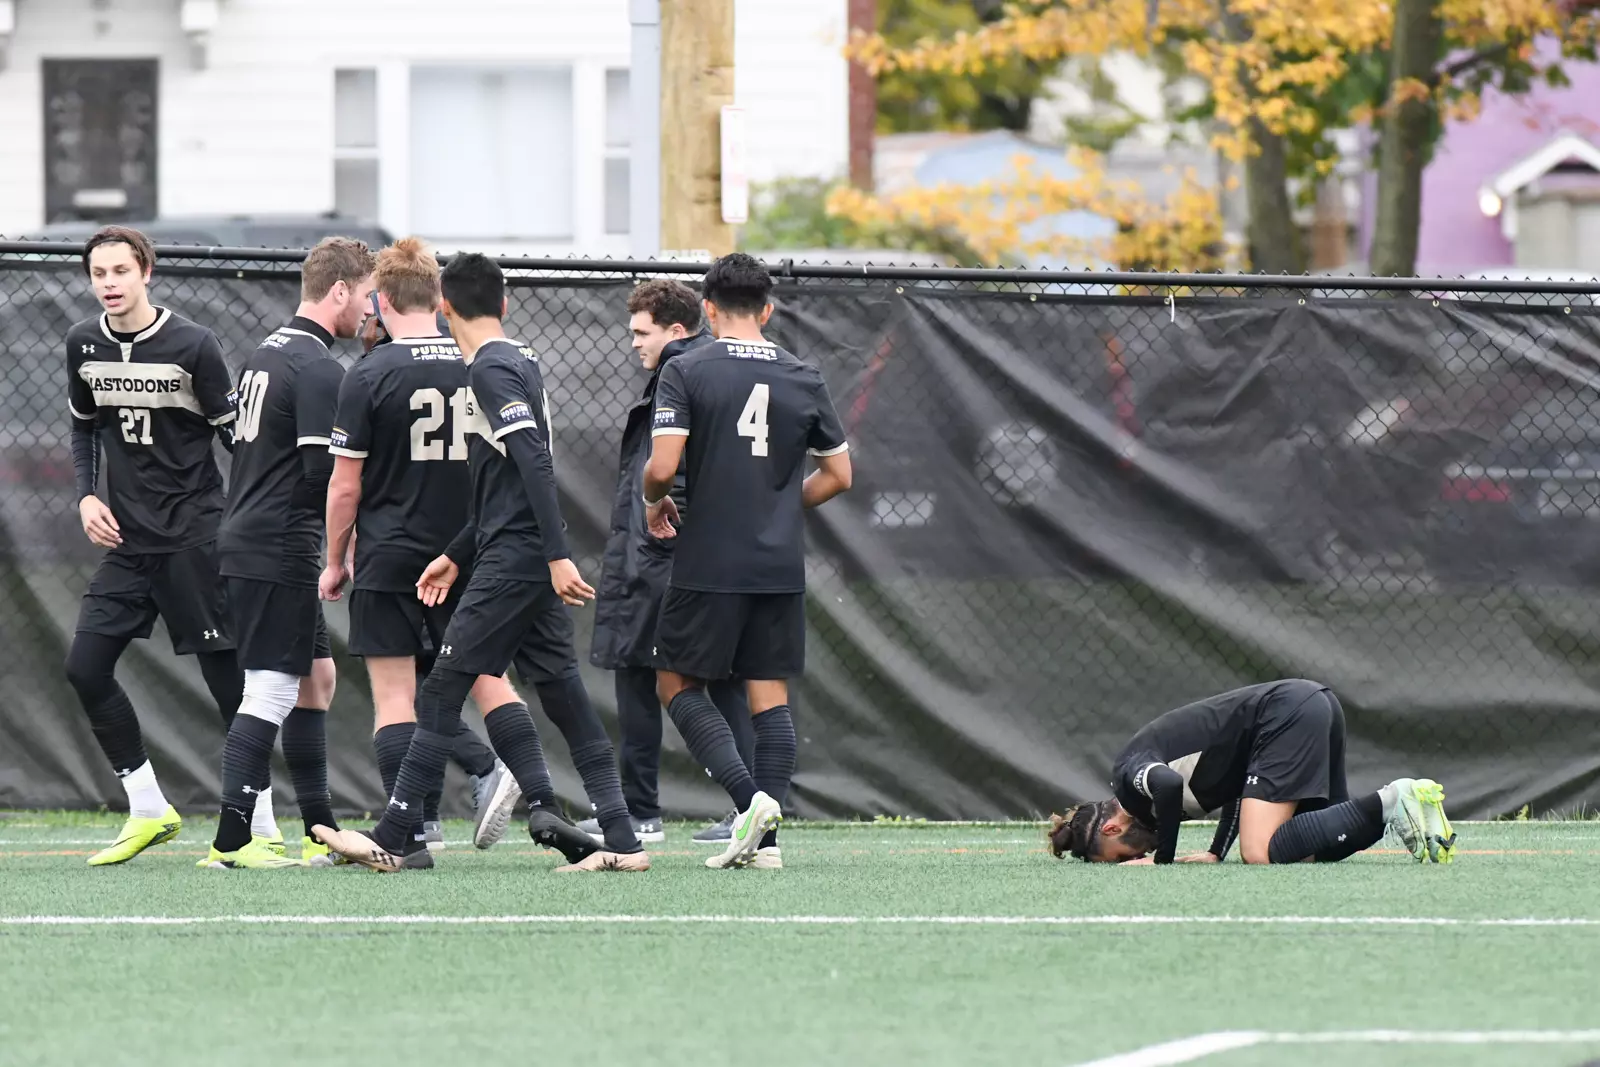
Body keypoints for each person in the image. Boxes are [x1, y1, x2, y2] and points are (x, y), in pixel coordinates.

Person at [315, 252, 647, 874]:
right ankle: (625, 842)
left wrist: (555, 555)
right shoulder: (519, 357)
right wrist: (454, 553)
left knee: (441, 690)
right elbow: (504, 482)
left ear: (445, 305)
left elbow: (534, 463)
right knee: (563, 693)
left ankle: (394, 836)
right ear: (505, 303)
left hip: (515, 557)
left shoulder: (491, 368)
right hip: (509, 548)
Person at [644, 253, 853, 871]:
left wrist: (654, 502)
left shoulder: (686, 367)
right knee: (769, 695)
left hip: (711, 557)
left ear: (708, 310)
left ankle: (748, 802)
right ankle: (766, 847)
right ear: (767, 310)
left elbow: (662, 466)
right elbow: (839, 474)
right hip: (778, 563)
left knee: (675, 682)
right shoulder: (803, 374)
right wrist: (782, 506)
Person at [64, 226, 265, 866]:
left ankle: (258, 827)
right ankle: (149, 807)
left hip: (195, 537)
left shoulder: (194, 344)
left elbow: (237, 440)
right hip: (128, 542)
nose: (109, 283)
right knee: (85, 667)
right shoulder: (83, 343)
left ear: (146, 271)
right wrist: (86, 495)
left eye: (121, 271)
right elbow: (83, 428)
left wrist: (255, 519)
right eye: (99, 273)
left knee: (229, 687)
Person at [321, 238, 520, 859]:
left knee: (394, 697)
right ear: (440, 299)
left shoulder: (369, 372)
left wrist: (334, 559)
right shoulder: (477, 361)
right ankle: (534, 791)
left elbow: (345, 485)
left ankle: (412, 831)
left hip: (392, 551)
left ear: (379, 300)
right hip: (468, 549)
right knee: (486, 678)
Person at [201, 237, 376, 869]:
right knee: (271, 690)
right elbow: (320, 476)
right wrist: (345, 545)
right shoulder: (318, 367)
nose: (370, 308)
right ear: (340, 291)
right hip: (277, 545)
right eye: (366, 295)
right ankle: (231, 842)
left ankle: (319, 829)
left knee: (315, 680)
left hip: (255, 536)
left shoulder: (268, 350)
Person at [584, 279, 755, 847]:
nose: (634, 342)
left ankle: (647, 813)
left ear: (677, 330)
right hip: (695, 551)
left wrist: (660, 521)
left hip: (667, 552)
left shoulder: (682, 374)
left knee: (646, 668)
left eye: (642, 332)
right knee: (707, 674)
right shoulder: (704, 369)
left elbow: (667, 470)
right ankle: (739, 807)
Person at [1046, 679, 1458, 866]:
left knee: (1258, 851)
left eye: (1124, 857)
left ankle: (1394, 797)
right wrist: (1215, 851)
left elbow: (1169, 784)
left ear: (1112, 829)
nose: (1138, 857)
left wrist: (1163, 862)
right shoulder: (1153, 808)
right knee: (1312, 850)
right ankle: (1398, 808)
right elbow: (1239, 790)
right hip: (1308, 706)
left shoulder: (1128, 779)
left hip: (1286, 713)